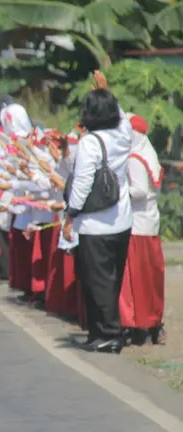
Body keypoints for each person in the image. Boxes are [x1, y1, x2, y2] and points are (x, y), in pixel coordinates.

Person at [63, 71, 133, 353]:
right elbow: (124, 117)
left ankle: (109, 335)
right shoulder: (123, 134)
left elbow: (82, 183)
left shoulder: (90, 142)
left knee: (97, 281)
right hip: (123, 219)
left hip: (95, 223)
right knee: (112, 279)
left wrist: (71, 214)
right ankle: (101, 333)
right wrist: (108, 92)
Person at [119, 113, 165, 345]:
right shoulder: (149, 154)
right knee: (149, 278)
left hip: (136, 224)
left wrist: (117, 193)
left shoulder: (134, 158)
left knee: (134, 279)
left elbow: (138, 191)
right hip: (149, 222)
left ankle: (135, 323)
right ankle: (152, 321)